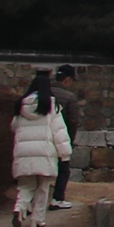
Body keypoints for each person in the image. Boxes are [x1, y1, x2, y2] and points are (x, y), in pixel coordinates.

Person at [9, 71, 71, 227]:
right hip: (45, 152)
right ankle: (37, 220)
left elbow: (14, 127)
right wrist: (64, 154)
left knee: (25, 186)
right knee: (43, 188)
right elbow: (59, 132)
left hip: (24, 152)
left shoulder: (21, 106)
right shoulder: (52, 106)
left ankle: (19, 208)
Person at [49, 64, 81, 209]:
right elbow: (73, 121)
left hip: (43, 137)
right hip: (61, 136)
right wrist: (70, 140)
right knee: (63, 169)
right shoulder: (69, 97)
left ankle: (33, 202)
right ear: (67, 79)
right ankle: (57, 198)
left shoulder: (43, 93)